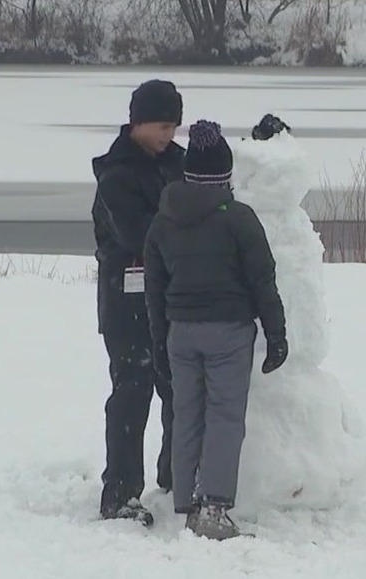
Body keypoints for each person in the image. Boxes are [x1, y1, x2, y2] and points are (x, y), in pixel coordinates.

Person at [143, 119, 289, 540]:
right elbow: (262, 280)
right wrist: (276, 334)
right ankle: (213, 507)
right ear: (224, 176)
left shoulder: (163, 221)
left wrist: (159, 340)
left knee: (187, 413)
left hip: (181, 332)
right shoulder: (239, 219)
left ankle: (185, 499)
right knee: (224, 415)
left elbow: (154, 288)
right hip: (228, 332)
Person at [90, 79, 186, 526]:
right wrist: (186, 229)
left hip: (171, 298)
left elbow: (217, 181)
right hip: (125, 304)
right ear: (138, 123)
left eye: (174, 127)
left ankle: (176, 478)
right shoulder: (116, 174)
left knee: (178, 388)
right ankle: (120, 493)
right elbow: (138, 235)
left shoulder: (177, 164)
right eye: (163, 126)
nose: (169, 135)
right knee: (132, 392)